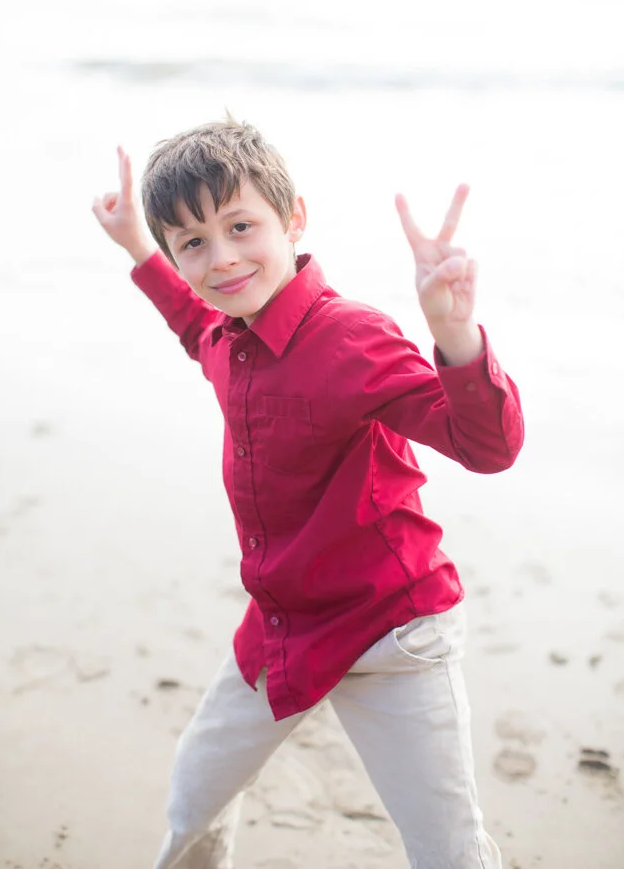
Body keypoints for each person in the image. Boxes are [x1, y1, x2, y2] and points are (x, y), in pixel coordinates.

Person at [92, 117, 523, 869]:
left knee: (447, 850)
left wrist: (455, 335)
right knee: (194, 799)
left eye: (240, 226)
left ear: (293, 218)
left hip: (393, 630)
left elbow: (484, 447)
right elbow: (193, 325)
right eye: (192, 243)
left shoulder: (352, 337)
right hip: (283, 623)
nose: (221, 258)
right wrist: (135, 244)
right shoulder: (227, 337)